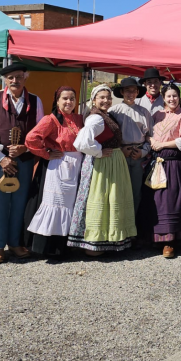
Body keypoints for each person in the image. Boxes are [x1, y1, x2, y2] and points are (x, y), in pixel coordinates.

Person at [0, 62, 44, 264]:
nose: (14, 81)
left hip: (24, 160)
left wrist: (26, 147)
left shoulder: (35, 100)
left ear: (26, 77)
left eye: (18, 76)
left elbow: (40, 130)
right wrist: (1, 157)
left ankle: (15, 243)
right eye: (10, 78)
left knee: (19, 204)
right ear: (5, 80)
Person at [69, 85, 136, 254]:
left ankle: (107, 241)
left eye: (108, 97)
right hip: (103, 164)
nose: (106, 100)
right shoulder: (96, 118)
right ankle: (94, 244)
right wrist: (98, 151)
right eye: (102, 97)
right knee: (101, 199)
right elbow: (81, 143)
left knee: (110, 200)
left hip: (110, 162)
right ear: (94, 99)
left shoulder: (105, 115)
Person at [24, 86, 84, 257]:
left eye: (72, 98)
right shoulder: (50, 120)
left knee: (70, 204)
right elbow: (31, 138)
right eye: (64, 98)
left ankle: (65, 245)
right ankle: (49, 247)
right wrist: (46, 153)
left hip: (75, 165)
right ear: (57, 101)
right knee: (56, 204)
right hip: (58, 166)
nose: (69, 102)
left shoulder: (79, 119)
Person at [144, 84, 181, 258]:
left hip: (173, 162)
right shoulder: (156, 115)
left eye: (174, 96)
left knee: (171, 200)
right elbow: (147, 132)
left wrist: (162, 144)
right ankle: (154, 236)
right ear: (163, 97)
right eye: (168, 96)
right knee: (154, 200)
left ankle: (170, 241)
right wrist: (152, 141)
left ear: (179, 97)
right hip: (155, 161)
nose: (172, 99)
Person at [109, 77, 153, 215]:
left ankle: (132, 224)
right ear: (122, 92)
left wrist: (143, 152)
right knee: (118, 190)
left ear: (137, 92)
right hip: (119, 154)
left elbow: (150, 136)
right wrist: (120, 150)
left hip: (137, 156)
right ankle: (118, 223)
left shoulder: (144, 112)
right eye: (127, 90)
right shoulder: (114, 111)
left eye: (133, 91)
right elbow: (109, 137)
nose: (131, 94)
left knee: (135, 191)